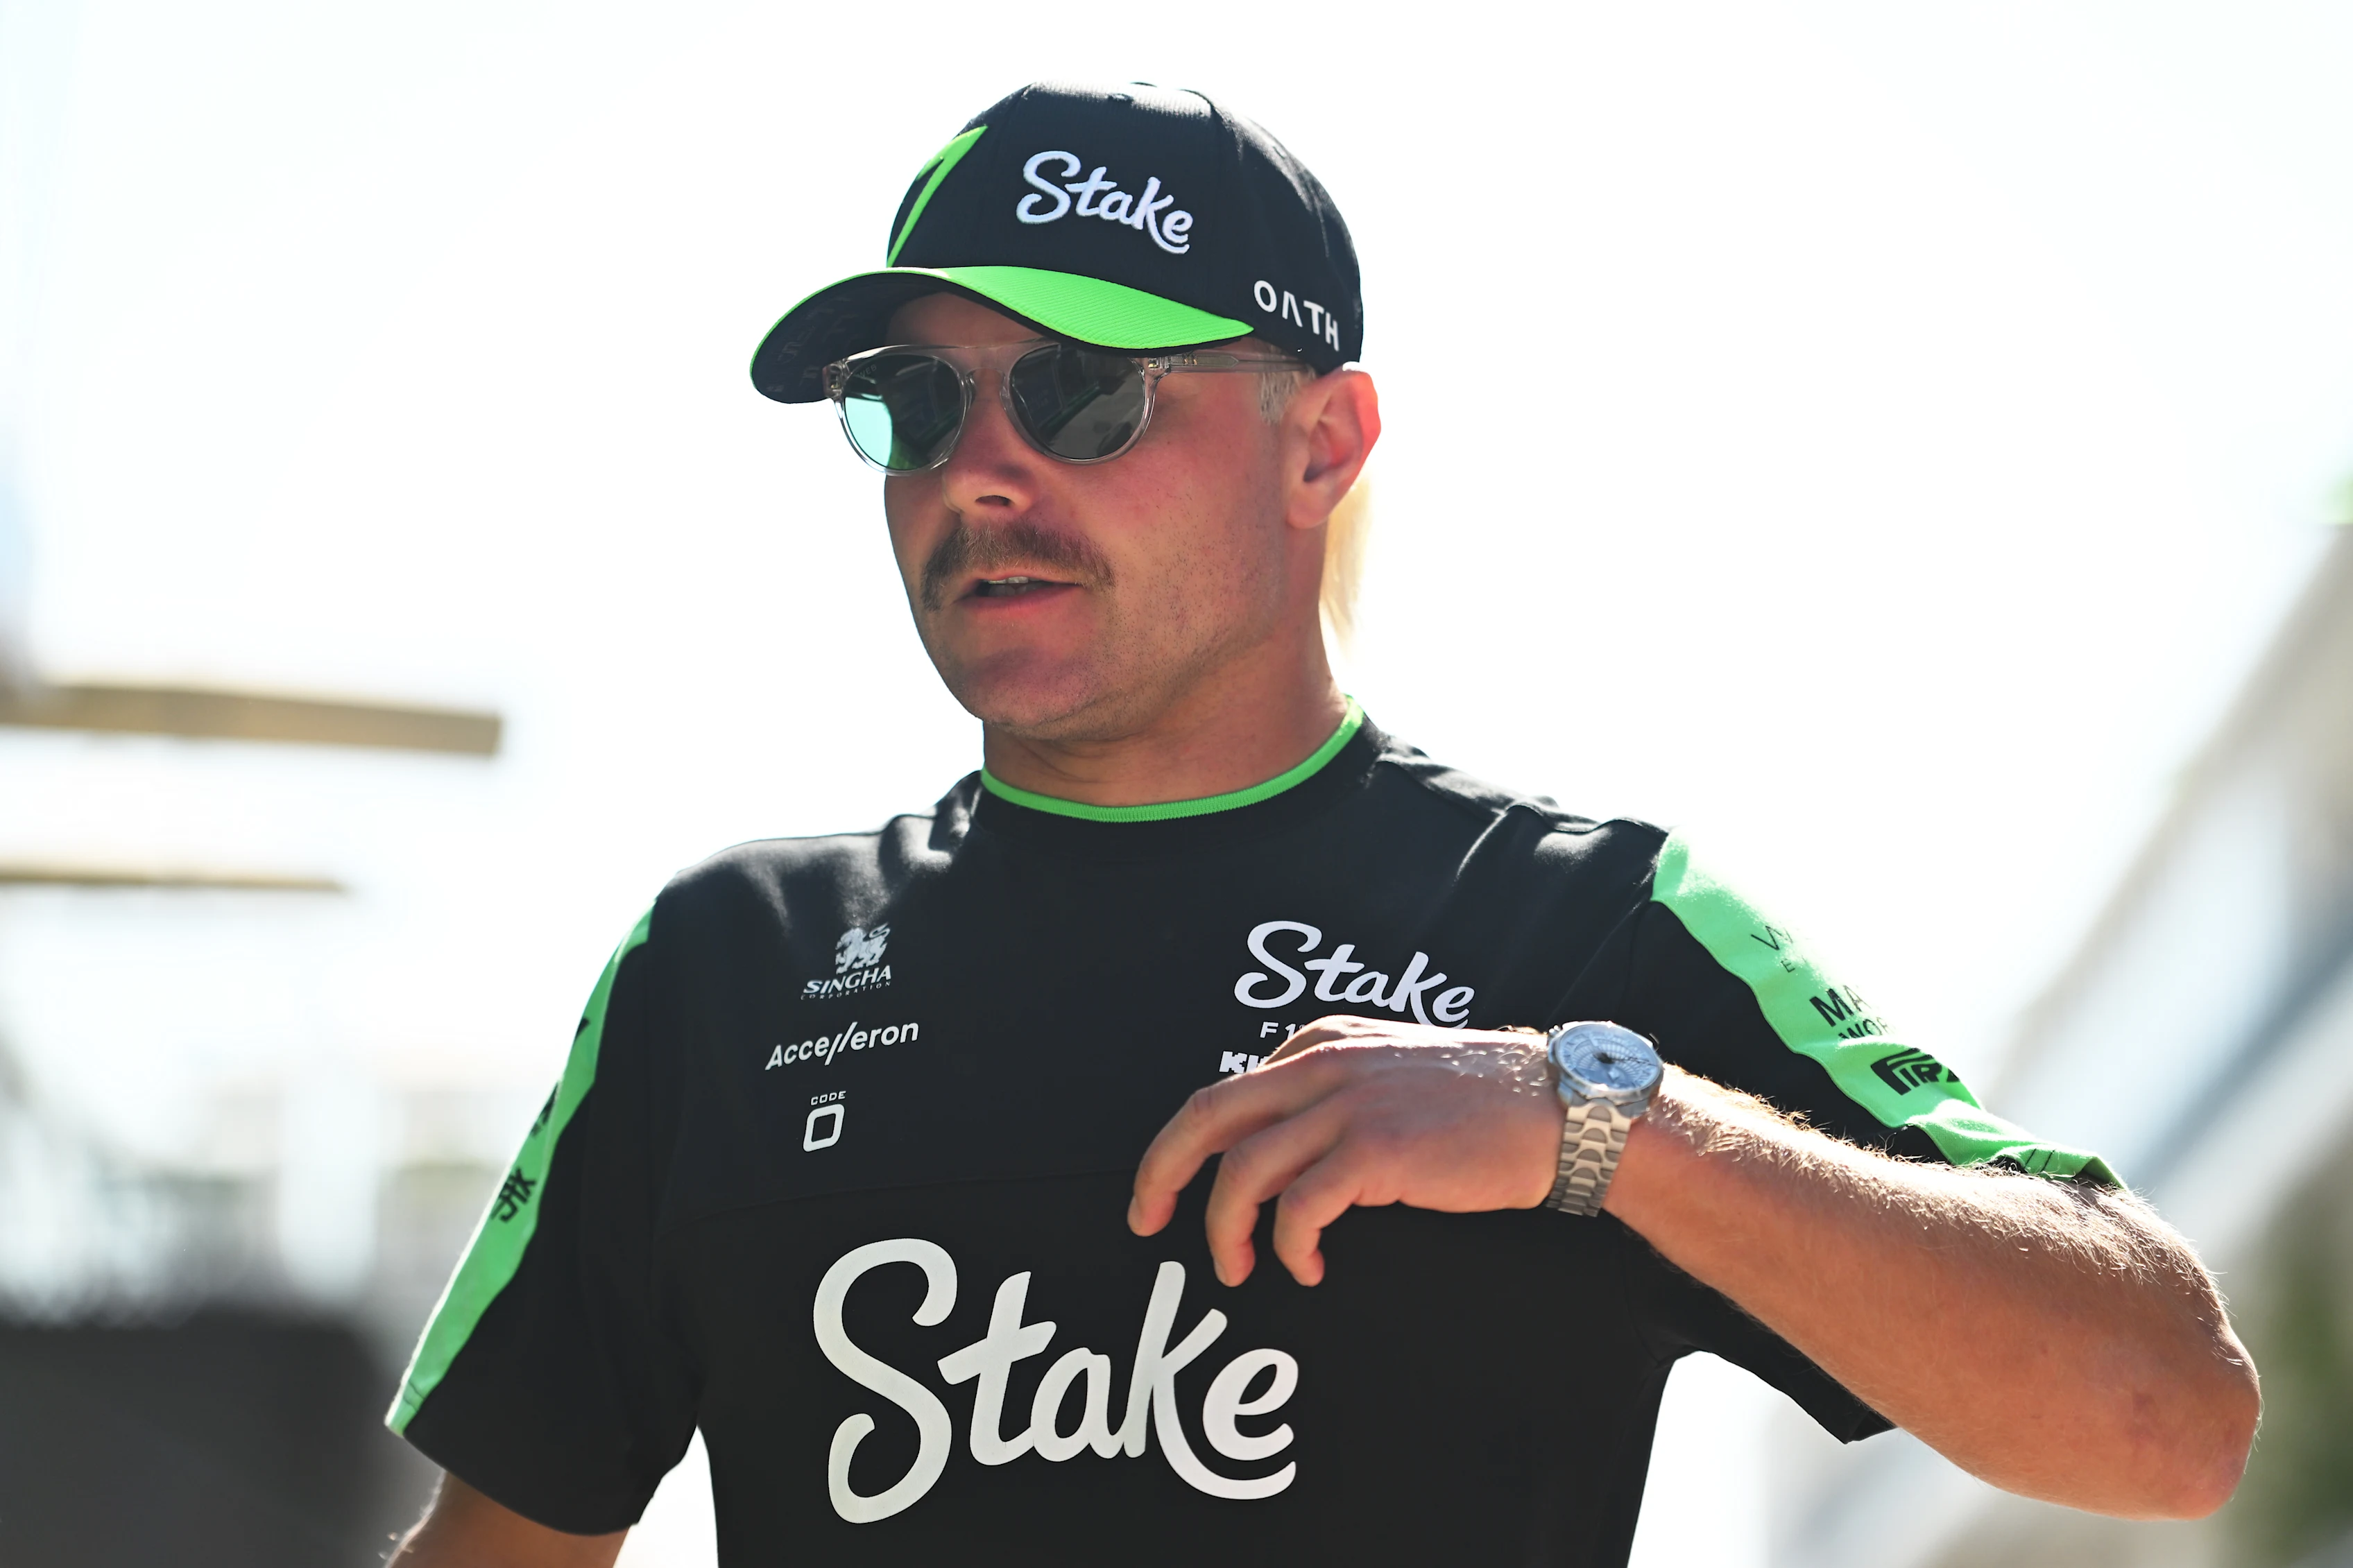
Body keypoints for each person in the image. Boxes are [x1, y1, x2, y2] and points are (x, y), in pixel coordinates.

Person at [386, 81, 2259, 1568]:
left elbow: (2168, 1415)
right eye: (913, 404)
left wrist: (1596, 1126)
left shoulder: (1582, 935)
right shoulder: (725, 970)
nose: (982, 471)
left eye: (1082, 391)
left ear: (1323, 445)